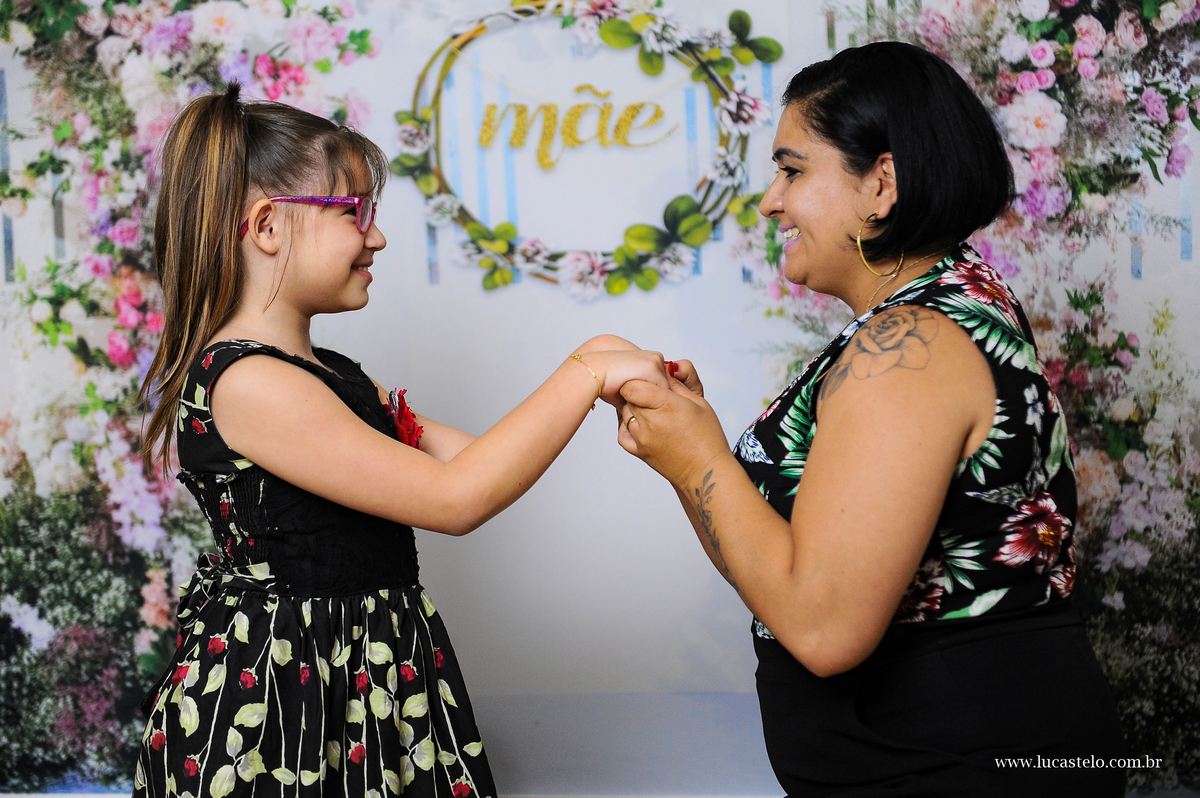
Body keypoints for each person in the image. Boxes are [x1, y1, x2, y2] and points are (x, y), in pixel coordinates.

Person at [615, 42, 1125, 797]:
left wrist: (699, 463)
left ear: (881, 184)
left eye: (793, 171)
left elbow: (824, 630)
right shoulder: (938, 309)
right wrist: (697, 450)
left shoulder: (908, 347)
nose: (771, 201)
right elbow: (787, 579)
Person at [132, 84, 670, 797]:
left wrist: (604, 373)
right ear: (267, 226)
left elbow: (474, 461)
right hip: (284, 707)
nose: (377, 237)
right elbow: (455, 498)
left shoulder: (335, 376)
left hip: (367, 679)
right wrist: (587, 368)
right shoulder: (250, 383)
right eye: (354, 212)